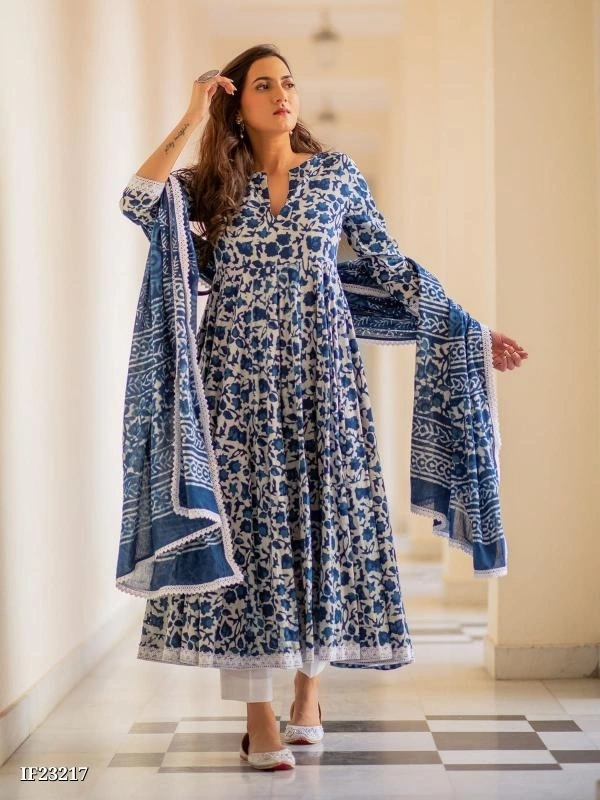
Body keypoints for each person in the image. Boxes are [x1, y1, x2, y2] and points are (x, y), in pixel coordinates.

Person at [118, 43, 528, 772]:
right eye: (263, 85)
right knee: (249, 540)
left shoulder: (336, 175)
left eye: (289, 83)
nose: (283, 94)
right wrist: (191, 115)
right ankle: (258, 718)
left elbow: (392, 268)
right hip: (235, 383)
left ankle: (309, 693)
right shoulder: (210, 185)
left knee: (321, 524)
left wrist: (469, 326)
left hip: (324, 378)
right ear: (236, 102)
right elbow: (137, 201)